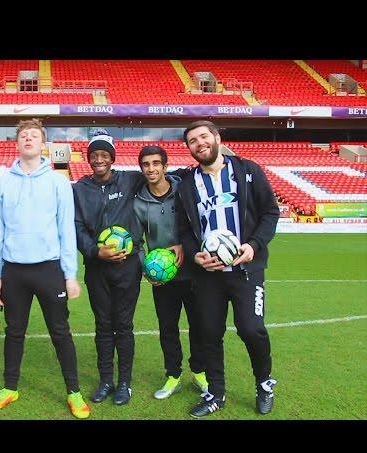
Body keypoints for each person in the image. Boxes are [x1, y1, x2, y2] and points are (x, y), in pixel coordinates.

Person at [0, 118, 90, 419]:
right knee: (13, 331)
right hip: (14, 272)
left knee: (60, 332)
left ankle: (74, 392)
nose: (29, 139)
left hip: (49, 269)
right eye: (24, 135)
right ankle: (10, 387)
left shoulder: (58, 181)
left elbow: (65, 230)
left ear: (42, 143)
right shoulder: (2, 182)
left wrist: (70, 275)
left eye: (34, 135)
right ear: (16, 143)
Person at [175, 120, 279, 417]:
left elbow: (270, 213)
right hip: (208, 275)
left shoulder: (247, 171)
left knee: (251, 329)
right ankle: (216, 393)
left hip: (246, 269)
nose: (200, 143)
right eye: (193, 141)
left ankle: (264, 384)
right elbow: (185, 229)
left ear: (217, 138)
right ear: (190, 148)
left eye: (204, 137)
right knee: (209, 332)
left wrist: (254, 246)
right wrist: (195, 255)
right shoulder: (188, 184)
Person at [72, 129, 145, 406]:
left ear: (112, 158)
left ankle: (124, 383)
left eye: (104, 155)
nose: (99, 159)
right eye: (94, 155)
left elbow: (163, 179)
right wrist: (94, 251)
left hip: (128, 267)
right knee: (103, 325)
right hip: (96, 268)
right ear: (89, 159)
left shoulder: (131, 180)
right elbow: (76, 226)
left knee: (123, 325)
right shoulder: (79, 189)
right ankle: (106, 381)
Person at [133, 145, 208, 401]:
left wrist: (189, 248)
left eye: (156, 163)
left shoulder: (185, 190)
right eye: (146, 164)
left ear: (165, 166)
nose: (151, 169)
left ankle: (199, 372)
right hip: (162, 277)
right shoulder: (139, 203)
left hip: (194, 271)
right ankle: (173, 375)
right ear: (141, 169)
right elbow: (137, 241)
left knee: (199, 325)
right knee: (168, 328)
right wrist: (146, 267)